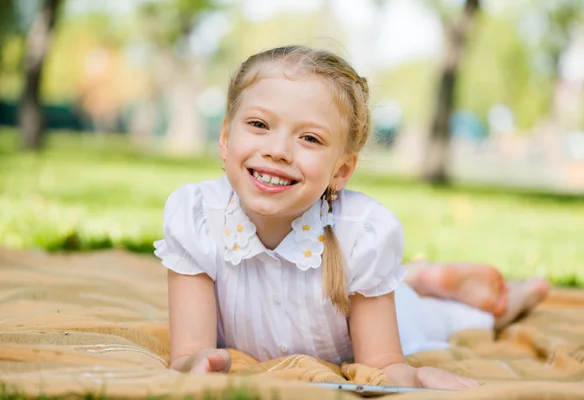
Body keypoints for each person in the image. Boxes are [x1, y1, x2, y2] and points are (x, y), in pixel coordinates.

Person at [153, 45, 549, 390]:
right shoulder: (198, 217)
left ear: (341, 170)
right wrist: (195, 363)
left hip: (398, 318)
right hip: (368, 289)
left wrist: (419, 377)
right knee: (401, 289)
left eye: (309, 138)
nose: (278, 150)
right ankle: (419, 278)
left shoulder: (362, 234)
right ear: (225, 138)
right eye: (259, 125)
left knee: (454, 319)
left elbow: (383, 364)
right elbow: (189, 351)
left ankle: (509, 297)